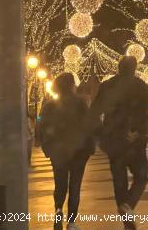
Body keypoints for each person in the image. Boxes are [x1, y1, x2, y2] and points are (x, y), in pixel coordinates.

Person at [91, 56, 148, 230]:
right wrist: (138, 131)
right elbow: (144, 112)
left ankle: (127, 220)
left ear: (118, 67)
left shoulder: (107, 86)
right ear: (134, 68)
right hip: (134, 140)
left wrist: (103, 134)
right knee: (141, 177)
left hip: (114, 140)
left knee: (119, 181)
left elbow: (94, 112)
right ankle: (129, 205)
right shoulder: (140, 86)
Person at [40, 73, 93, 230]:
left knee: (60, 183)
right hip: (78, 151)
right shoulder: (81, 103)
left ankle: (58, 211)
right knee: (75, 186)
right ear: (71, 85)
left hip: (58, 152)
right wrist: (90, 148)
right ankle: (71, 222)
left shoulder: (49, 105)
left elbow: (43, 129)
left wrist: (47, 148)